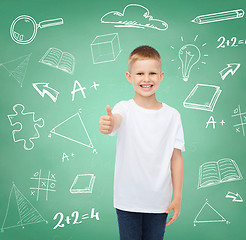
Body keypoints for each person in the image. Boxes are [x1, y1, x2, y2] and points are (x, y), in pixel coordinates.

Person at [99, 45, 185, 240]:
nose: (146, 79)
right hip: (127, 200)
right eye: (140, 73)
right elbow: (116, 121)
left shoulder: (172, 115)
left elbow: (176, 157)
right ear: (130, 77)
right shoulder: (124, 108)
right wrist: (109, 123)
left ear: (161, 76)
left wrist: (177, 196)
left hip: (159, 201)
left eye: (152, 73)